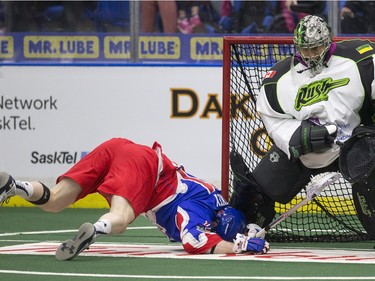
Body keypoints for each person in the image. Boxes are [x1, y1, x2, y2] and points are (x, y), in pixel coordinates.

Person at [0, 138, 269, 260]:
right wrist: (238, 247)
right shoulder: (195, 215)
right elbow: (195, 241)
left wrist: (249, 232)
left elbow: (233, 222)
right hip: (144, 167)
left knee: (57, 200)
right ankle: (96, 229)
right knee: (122, 217)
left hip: (118, 146)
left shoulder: (215, 198)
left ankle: (16, 186)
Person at [229, 15, 375, 237]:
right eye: (306, 49)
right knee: (255, 195)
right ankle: (243, 230)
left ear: (328, 42)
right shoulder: (277, 79)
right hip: (305, 151)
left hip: (356, 144)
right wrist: (297, 136)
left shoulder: (361, 58)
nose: (312, 54)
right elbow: (273, 120)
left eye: (316, 48)